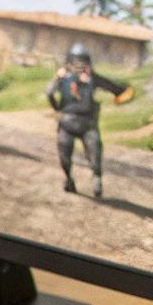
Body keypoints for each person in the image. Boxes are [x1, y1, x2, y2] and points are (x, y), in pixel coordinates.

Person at [45, 42, 135, 199]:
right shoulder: (62, 78)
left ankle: (97, 180)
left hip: (88, 125)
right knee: (64, 156)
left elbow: (116, 88)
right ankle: (69, 180)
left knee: (95, 156)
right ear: (69, 61)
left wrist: (126, 91)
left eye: (81, 61)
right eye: (76, 61)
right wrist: (58, 108)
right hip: (67, 123)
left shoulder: (93, 78)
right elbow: (50, 93)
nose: (78, 64)